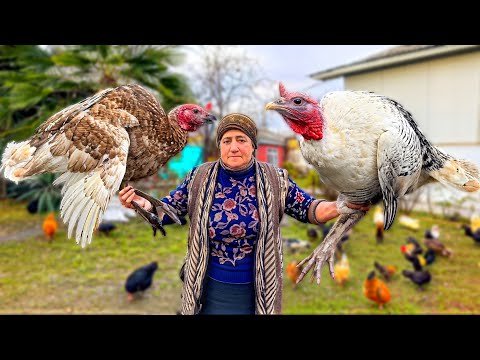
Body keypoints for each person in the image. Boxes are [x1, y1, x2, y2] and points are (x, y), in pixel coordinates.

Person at [119, 113, 370, 315]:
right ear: (220, 147)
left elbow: (310, 209)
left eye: (241, 139)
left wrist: (342, 206)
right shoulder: (199, 177)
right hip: (208, 287)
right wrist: (144, 204)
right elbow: (169, 210)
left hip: (258, 289)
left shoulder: (275, 179)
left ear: (253, 145)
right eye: (226, 141)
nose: (234, 147)